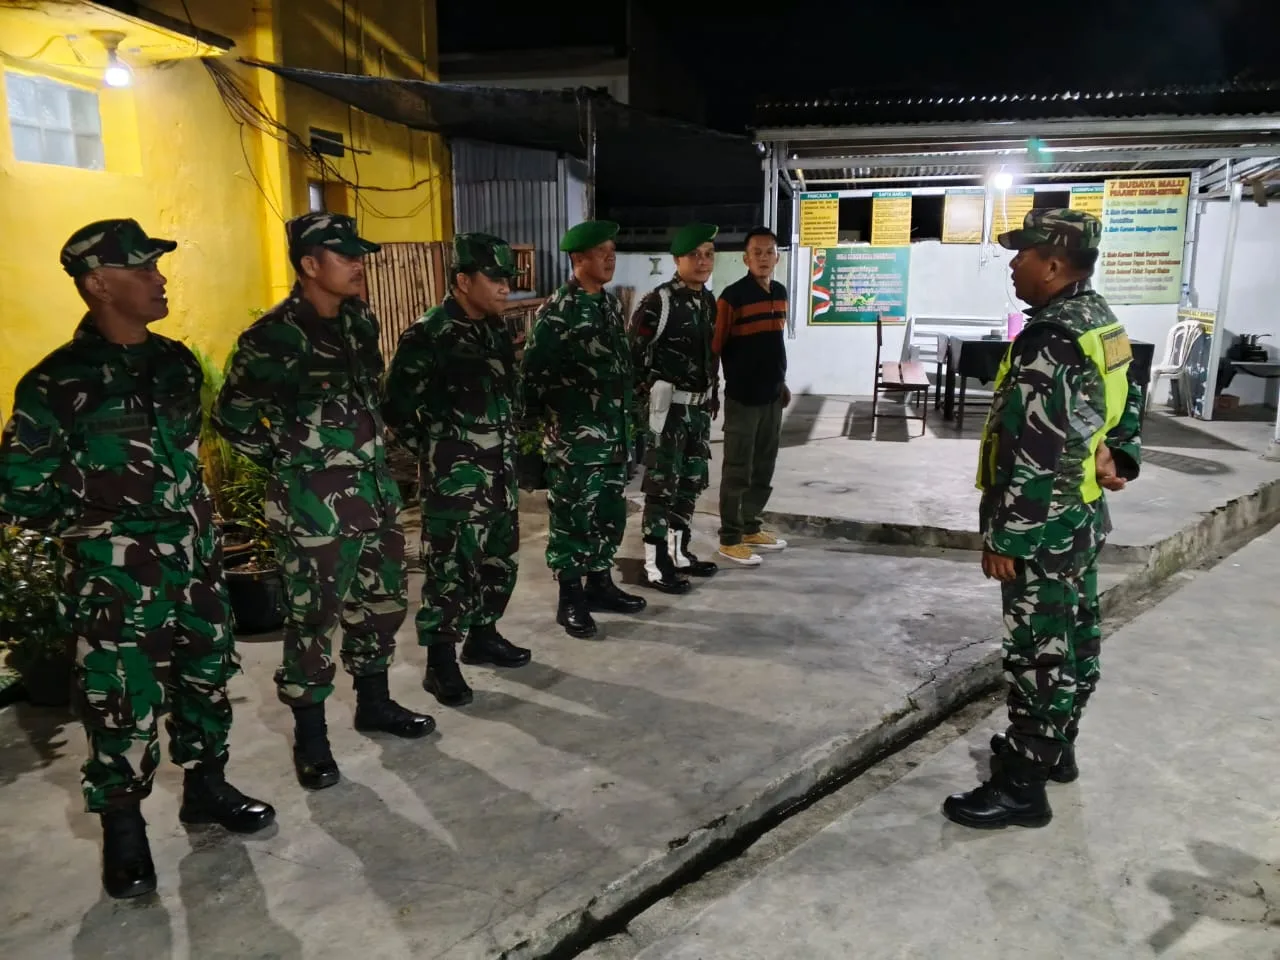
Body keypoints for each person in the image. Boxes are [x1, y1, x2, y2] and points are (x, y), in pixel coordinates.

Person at [0, 219, 275, 899]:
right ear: (99, 284)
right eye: (143, 269)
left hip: (196, 562)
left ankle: (206, 788)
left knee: (208, 676)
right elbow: (22, 491)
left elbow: (187, 456)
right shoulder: (55, 383)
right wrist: (105, 530)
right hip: (117, 576)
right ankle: (124, 831)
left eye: (157, 267)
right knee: (121, 700)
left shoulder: (176, 363)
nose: (160, 279)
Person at [213, 213, 434, 792]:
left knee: (383, 604)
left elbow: (371, 396)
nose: (360, 263)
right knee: (314, 620)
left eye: (360, 253)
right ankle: (312, 740)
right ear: (310, 265)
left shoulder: (360, 321)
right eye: (346, 255)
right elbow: (231, 416)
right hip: (313, 507)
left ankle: (375, 703)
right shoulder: (271, 338)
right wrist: (294, 463)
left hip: (375, 492)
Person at [942, 209, 1143, 830]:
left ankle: (1022, 786)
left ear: (1054, 264)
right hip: (1080, 517)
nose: (1013, 263)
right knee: (1077, 637)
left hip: (1043, 525)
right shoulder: (1100, 320)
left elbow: (1034, 446)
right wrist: (1123, 454)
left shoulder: (1050, 336)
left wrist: (1006, 535)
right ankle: (1057, 751)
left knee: (1038, 655)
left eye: (1023, 254)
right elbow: (1128, 395)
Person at [383, 233, 531, 708]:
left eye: (508, 278)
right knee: (450, 569)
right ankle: (440, 664)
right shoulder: (428, 334)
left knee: (498, 560)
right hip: (455, 481)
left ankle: (483, 635)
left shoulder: (491, 329)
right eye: (496, 278)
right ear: (463, 280)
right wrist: (440, 451)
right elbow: (396, 407)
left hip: (500, 477)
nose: (506, 287)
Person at [521, 220, 647, 638]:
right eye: (600, 252)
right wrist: (535, 445)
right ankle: (570, 597)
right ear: (578, 259)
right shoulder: (558, 312)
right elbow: (532, 380)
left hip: (612, 438)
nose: (611, 257)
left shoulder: (609, 305)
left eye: (612, 250)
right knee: (573, 520)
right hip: (574, 443)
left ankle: (600, 584)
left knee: (609, 515)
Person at [630, 222, 721, 591]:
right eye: (694, 255)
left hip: (698, 412)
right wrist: (647, 404)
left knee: (690, 482)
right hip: (668, 414)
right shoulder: (659, 301)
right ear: (677, 259)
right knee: (661, 486)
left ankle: (679, 551)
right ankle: (654, 564)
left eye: (708, 254)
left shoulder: (708, 301)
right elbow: (634, 356)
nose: (702, 261)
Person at [712, 226, 792, 567]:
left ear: (777, 257)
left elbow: (774, 347)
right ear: (745, 258)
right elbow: (715, 347)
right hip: (743, 398)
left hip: (772, 396)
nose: (763, 257)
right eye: (756, 252)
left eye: (769, 251)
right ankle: (730, 538)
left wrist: (782, 382)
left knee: (763, 467)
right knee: (737, 470)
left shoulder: (780, 292)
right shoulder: (732, 298)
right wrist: (712, 391)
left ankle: (749, 526)